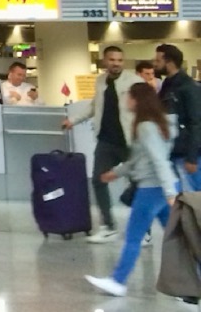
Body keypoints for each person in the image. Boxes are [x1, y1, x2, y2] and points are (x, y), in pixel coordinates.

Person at [85, 83, 181, 297]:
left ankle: (117, 281)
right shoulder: (157, 124)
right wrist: (116, 173)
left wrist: (169, 194)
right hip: (163, 187)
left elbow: (158, 161)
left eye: (128, 96)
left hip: (153, 189)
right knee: (176, 238)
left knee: (133, 237)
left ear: (137, 100)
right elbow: (139, 159)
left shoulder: (146, 127)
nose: (125, 100)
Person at [62, 46, 140, 243]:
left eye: (120, 60)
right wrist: (73, 120)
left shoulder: (134, 82)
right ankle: (108, 226)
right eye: (112, 59)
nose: (116, 63)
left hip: (130, 142)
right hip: (106, 141)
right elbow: (93, 107)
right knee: (99, 180)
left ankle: (143, 231)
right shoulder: (100, 81)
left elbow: (146, 107)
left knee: (138, 183)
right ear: (104, 61)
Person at [158, 44, 201, 191]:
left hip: (186, 150)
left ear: (168, 62)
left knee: (196, 191)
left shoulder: (188, 87)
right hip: (173, 148)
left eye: (158, 61)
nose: (154, 64)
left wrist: (192, 157)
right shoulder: (167, 85)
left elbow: (195, 122)